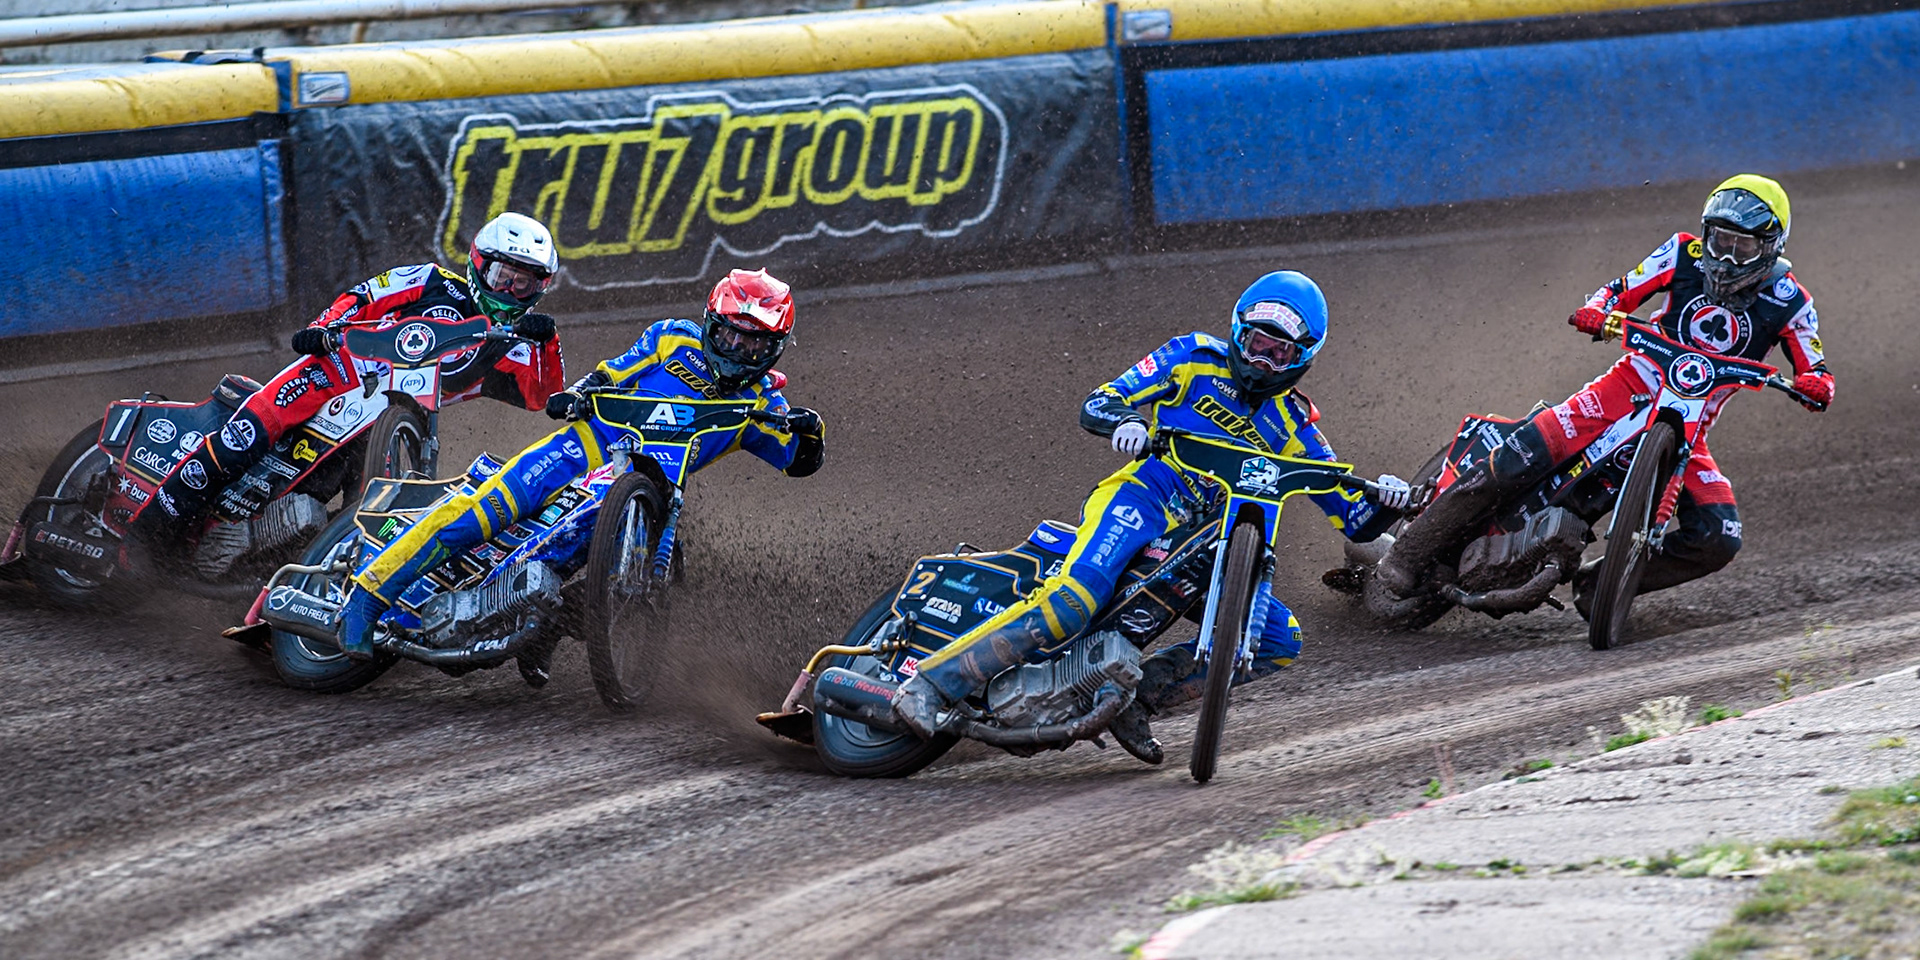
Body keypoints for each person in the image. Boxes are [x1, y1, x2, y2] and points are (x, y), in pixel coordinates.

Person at [888, 270, 1412, 764]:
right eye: (1257, 344)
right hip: (1144, 498)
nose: (1263, 361)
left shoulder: (1297, 426)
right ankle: (931, 683)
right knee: (1074, 603)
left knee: (1279, 640)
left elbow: (1356, 520)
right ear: (1237, 331)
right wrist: (1126, 422)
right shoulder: (1191, 356)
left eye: (1280, 354)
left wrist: (1386, 497)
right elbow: (1102, 400)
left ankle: (1139, 698)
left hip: (1215, 547)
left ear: (1303, 360)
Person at [332, 267, 826, 683]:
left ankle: (543, 626)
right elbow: (613, 372)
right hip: (583, 446)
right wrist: (577, 394)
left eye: (753, 342)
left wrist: (811, 433)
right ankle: (367, 598)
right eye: (728, 333)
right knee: (482, 513)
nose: (737, 347)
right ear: (709, 322)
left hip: (647, 489)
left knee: (597, 565)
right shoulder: (671, 336)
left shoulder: (764, 403)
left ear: (775, 347)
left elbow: (797, 461)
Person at [1373, 174, 1833, 614]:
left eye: (1743, 246)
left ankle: (1600, 586)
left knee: (1720, 535)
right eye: (1721, 241)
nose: (1728, 258)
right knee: (1525, 450)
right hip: (1625, 387)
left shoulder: (1793, 302)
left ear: (1772, 246)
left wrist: (1814, 385)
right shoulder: (1681, 252)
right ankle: (1407, 556)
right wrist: (1596, 311)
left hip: (1688, 430)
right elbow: (1617, 291)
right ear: (1705, 234)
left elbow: (1817, 371)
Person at [126, 212, 569, 571]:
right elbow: (365, 296)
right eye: (501, 274)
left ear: (538, 290)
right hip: (336, 371)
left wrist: (545, 341)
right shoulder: (434, 281)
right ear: (477, 263)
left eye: (522, 282)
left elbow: (542, 397)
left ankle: (304, 585)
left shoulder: (509, 349)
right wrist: (322, 328)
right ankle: (141, 539)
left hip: (384, 425)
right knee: (242, 438)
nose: (508, 289)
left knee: (368, 510)